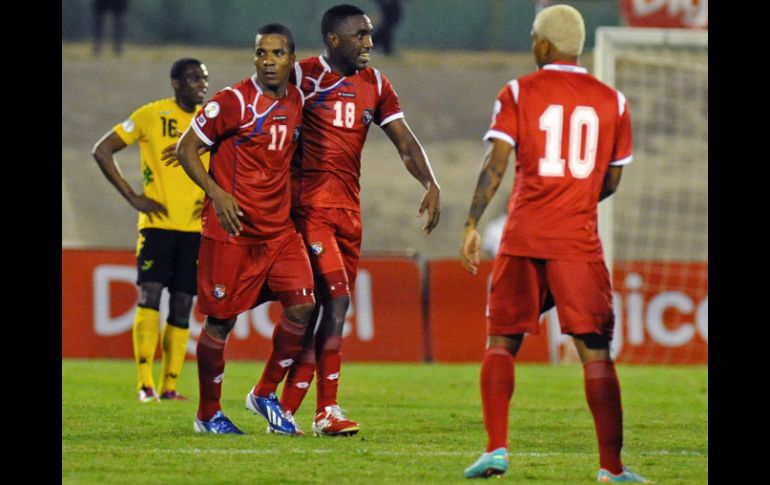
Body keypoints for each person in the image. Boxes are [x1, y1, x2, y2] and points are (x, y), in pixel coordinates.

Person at [459, 5, 650, 483]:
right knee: (595, 351)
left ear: (543, 46)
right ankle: (612, 468)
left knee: (501, 340)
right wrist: (579, 198)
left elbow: (496, 162)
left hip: (523, 236)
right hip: (578, 242)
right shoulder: (614, 101)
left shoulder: (519, 91)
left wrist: (471, 222)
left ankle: (496, 449)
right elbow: (612, 179)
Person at [277, 4, 441, 437]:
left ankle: (284, 409)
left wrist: (430, 181)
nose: (370, 42)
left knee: (328, 311)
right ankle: (326, 410)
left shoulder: (376, 83)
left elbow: (404, 141)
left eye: (370, 34)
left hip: (350, 212)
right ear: (334, 40)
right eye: (361, 35)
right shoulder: (302, 76)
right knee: (337, 301)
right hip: (309, 210)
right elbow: (262, 116)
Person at [175, 24, 317, 435]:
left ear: (291, 58)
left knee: (303, 305)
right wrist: (217, 194)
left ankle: (264, 392)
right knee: (220, 322)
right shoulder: (233, 101)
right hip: (232, 233)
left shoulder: (296, 100)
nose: (268, 61)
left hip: (278, 232)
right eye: (261, 54)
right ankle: (207, 414)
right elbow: (188, 148)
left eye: (276, 54)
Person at [92, 58, 210, 403]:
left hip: (194, 229)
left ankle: (169, 386)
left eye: (203, 79)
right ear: (175, 83)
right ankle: (145, 384)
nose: (201, 84)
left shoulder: (209, 121)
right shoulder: (152, 115)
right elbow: (102, 150)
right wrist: (132, 196)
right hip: (157, 226)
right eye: (192, 78)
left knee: (184, 302)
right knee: (150, 296)